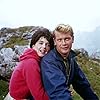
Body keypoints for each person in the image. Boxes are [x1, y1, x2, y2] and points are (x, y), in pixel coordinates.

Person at [41, 24, 99, 100]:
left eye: (67, 39)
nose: (64, 43)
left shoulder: (71, 59)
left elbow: (82, 85)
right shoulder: (49, 62)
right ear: (55, 41)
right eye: (59, 40)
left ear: (73, 39)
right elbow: (59, 94)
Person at [9, 28, 54, 100]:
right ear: (33, 45)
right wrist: (58, 97)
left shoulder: (35, 58)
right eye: (41, 43)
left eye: (47, 45)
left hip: (26, 94)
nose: (44, 47)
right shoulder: (31, 63)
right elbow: (39, 96)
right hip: (20, 98)